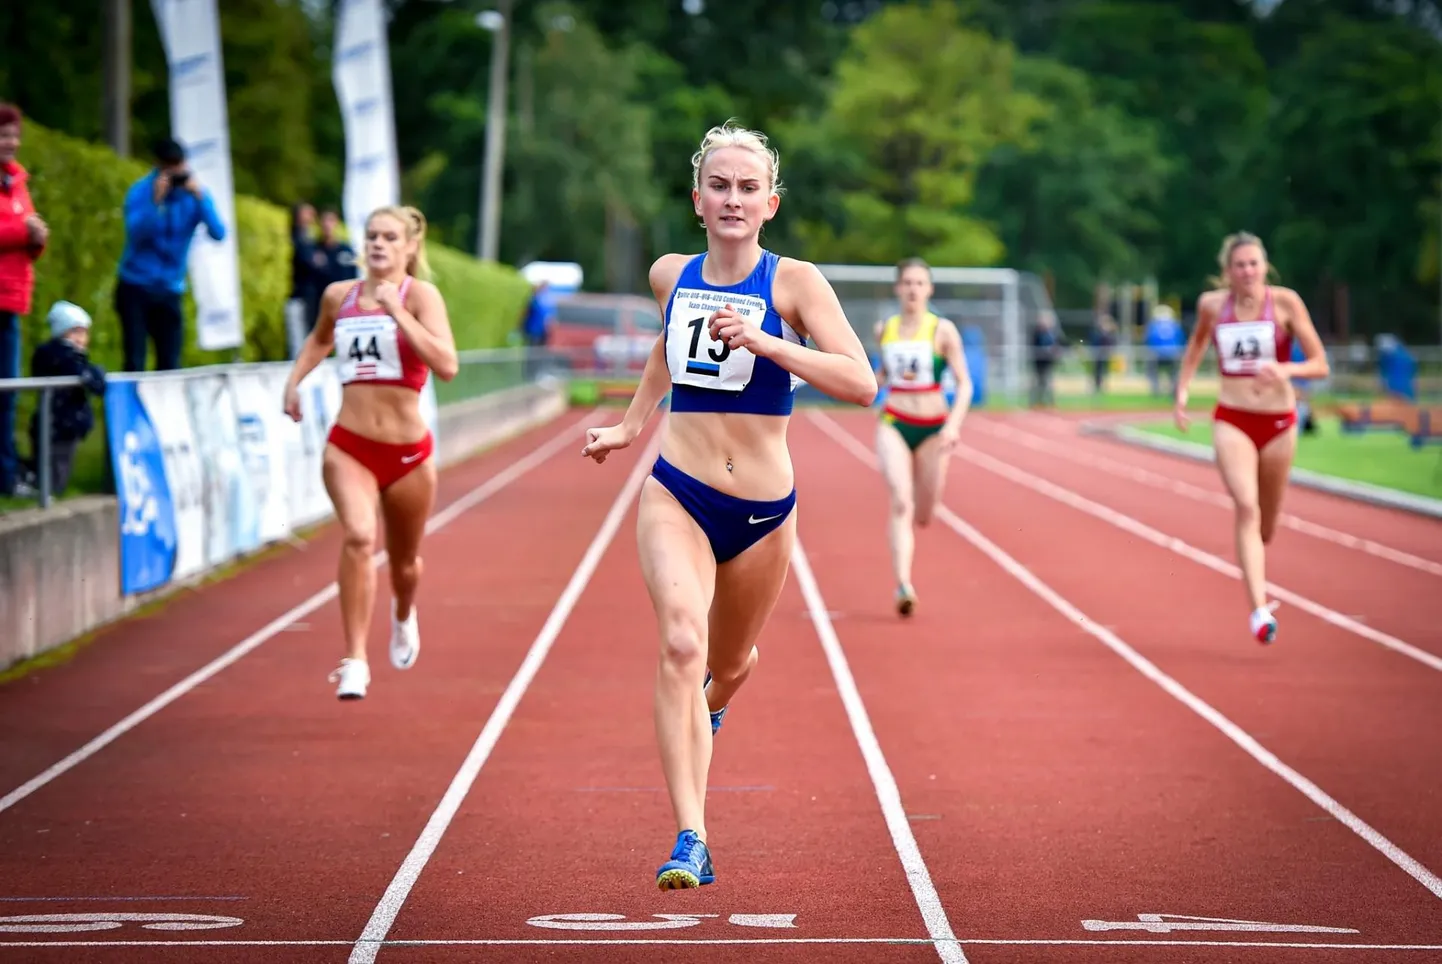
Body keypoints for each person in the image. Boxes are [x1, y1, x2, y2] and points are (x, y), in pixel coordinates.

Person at [580, 120, 876, 890]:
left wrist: (768, 342)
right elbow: (663, 351)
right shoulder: (669, 274)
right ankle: (691, 836)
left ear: (770, 202)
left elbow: (860, 382)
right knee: (680, 644)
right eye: (720, 185)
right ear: (697, 198)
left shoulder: (794, 283)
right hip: (676, 489)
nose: (733, 198)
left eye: (748, 187)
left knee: (730, 662)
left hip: (764, 512)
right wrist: (629, 425)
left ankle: (712, 706)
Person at [282, 205, 458, 700]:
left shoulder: (421, 295)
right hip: (350, 445)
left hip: (407, 455)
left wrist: (397, 312)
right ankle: (355, 657)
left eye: (389, 237)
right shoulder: (339, 296)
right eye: (372, 236)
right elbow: (318, 342)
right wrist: (293, 383)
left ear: (408, 247)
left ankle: (403, 614)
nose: (378, 244)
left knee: (405, 564)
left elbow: (447, 365)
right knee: (359, 537)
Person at [1173, 231, 1327, 644]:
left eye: (1254, 263)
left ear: (1265, 266)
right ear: (1227, 271)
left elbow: (1320, 363)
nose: (1247, 271)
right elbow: (1195, 347)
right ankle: (1259, 610)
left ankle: (1255, 565)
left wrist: (1286, 370)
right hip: (1232, 418)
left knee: (1266, 525)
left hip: (1278, 423)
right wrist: (1183, 390)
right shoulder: (1212, 306)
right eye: (1239, 265)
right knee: (1245, 505)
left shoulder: (1286, 302)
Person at [872, 258, 971, 616]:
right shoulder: (886, 329)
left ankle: (922, 512)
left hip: (934, 430)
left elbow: (964, 384)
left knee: (926, 513)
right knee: (901, 502)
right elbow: (881, 376)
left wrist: (953, 426)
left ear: (929, 289)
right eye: (907, 283)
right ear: (898, 288)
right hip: (895, 422)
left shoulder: (942, 331)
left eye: (920, 283)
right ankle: (903, 584)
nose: (913, 289)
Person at [114, 137, 226, 372]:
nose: (175, 171)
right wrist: (155, 202)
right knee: (135, 359)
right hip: (136, 286)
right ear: (158, 166)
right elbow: (135, 234)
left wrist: (201, 197)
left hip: (169, 289)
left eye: (179, 165)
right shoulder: (142, 191)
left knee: (170, 364)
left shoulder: (192, 195)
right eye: (169, 166)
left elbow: (219, 232)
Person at [0, 102, 48, 498]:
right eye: (4, 134)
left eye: (14, 135)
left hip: (12, 301)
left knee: (8, 394)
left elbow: (24, 238)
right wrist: (23, 231)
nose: (11, 142)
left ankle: (6, 475)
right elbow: (13, 230)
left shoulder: (17, 182)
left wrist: (38, 240)